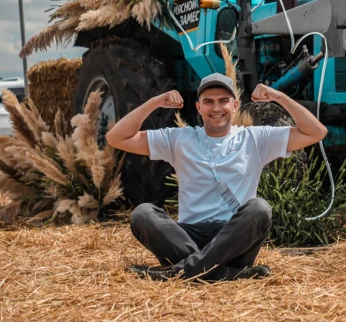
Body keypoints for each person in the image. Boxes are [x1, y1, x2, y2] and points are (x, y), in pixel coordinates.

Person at [106, 73, 328, 282]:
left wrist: (279, 97)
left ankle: (179, 272)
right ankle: (223, 273)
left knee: (259, 209)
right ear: (198, 107)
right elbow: (116, 138)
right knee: (143, 214)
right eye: (208, 101)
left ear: (235, 105)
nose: (216, 108)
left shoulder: (255, 139)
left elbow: (316, 132)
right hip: (186, 237)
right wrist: (154, 102)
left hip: (233, 238)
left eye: (223, 100)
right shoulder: (180, 139)